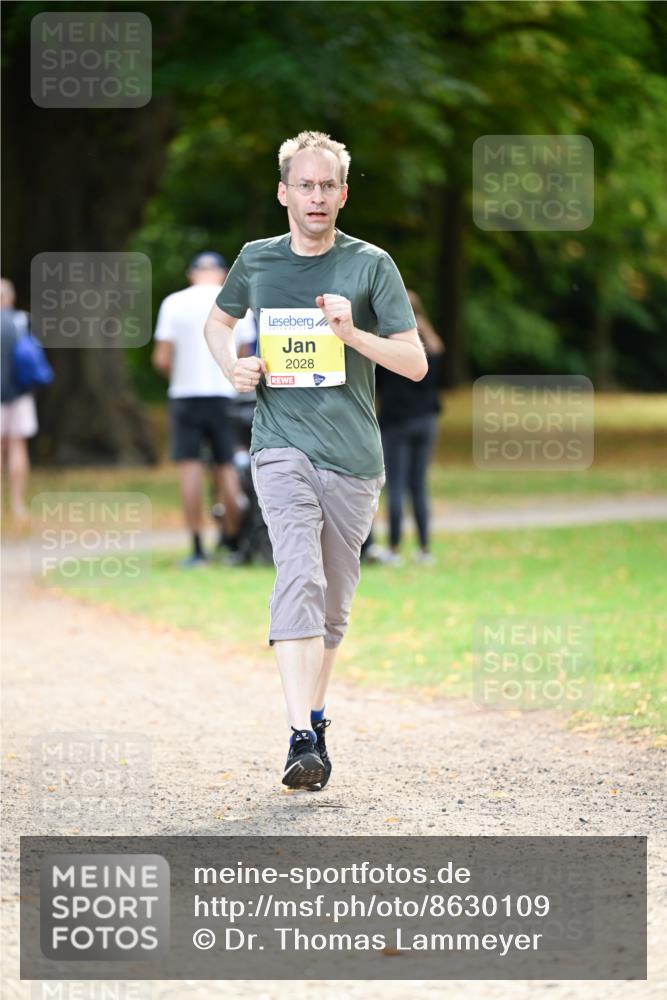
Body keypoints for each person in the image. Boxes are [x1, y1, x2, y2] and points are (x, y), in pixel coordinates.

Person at [204, 130, 427, 790]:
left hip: (353, 455)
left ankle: (316, 719)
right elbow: (218, 324)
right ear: (284, 193)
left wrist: (352, 334)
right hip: (280, 445)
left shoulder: (372, 265)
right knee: (298, 573)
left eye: (327, 185)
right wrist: (233, 367)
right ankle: (299, 735)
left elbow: (414, 363)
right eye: (304, 185)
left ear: (343, 195)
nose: (316, 196)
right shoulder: (257, 260)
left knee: (331, 603)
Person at [152, 253, 253, 567]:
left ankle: (197, 547)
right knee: (228, 466)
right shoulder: (238, 303)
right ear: (223, 273)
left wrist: (179, 376)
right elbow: (244, 355)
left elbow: (162, 358)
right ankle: (233, 541)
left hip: (185, 395)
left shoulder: (173, 303)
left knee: (189, 468)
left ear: (191, 273)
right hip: (225, 396)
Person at [375, 289, 445, 565]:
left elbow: (377, 384)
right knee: (418, 486)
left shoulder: (386, 343)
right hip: (426, 420)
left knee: (395, 486)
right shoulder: (431, 344)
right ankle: (424, 549)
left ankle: (393, 549)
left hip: (395, 421)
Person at [0, 278, 38, 524]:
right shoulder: (22, 321)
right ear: (11, 298)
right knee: (17, 446)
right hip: (20, 392)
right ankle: (17, 505)